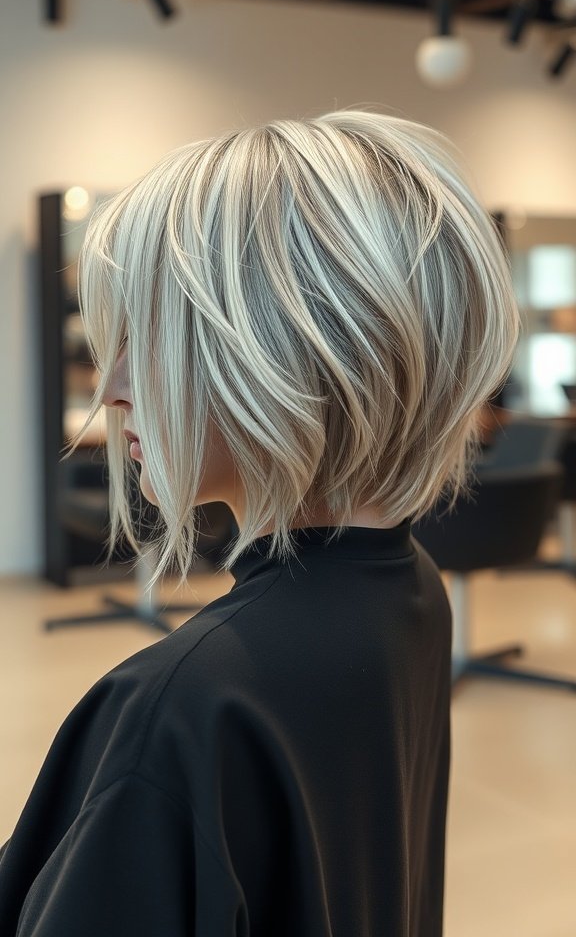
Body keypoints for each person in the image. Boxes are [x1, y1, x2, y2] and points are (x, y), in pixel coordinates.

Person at [0, 106, 520, 936]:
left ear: (290, 352)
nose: (112, 387)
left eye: (156, 336)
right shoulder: (405, 585)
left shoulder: (182, 706)